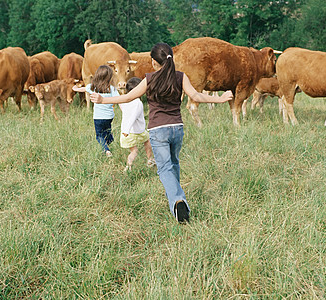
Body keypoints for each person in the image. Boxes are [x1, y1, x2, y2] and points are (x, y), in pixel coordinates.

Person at [90, 43, 233, 223]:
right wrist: (219, 99)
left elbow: (128, 97)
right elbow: (196, 96)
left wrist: (103, 100)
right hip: (177, 129)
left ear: (153, 62)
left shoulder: (149, 79)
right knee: (174, 163)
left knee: (164, 168)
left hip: (158, 130)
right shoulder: (181, 77)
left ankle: (178, 201)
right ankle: (176, 199)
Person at [73, 65, 118, 157]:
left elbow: (84, 89)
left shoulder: (93, 87)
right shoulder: (112, 88)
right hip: (109, 116)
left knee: (99, 135)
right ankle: (109, 141)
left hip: (98, 117)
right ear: (109, 77)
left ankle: (106, 150)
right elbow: (119, 98)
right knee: (107, 130)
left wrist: (76, 89)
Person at [119, 77, 155, 172]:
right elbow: (133, 117)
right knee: (147, 141)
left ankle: (128, 166)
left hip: (127, 133)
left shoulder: (124, 101)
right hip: (137, 131)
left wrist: (126, 130)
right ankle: (149, 160)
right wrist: (127, 129)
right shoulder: (138, 103)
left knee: (133, 151)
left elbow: (122, 107)